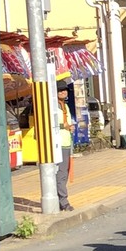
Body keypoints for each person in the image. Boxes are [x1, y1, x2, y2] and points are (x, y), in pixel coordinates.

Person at [54, 80, 75, 211]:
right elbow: (52, 123)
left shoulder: (64, 105)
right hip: (58, 143)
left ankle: (60, 199)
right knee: (60, 174)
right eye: (60, 90)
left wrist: (69, 127)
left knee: (65, 173)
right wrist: (65, 126)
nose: (63, 92)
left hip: (66, 142)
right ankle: (63, 201)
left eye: (65, 90)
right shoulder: (53, 106)